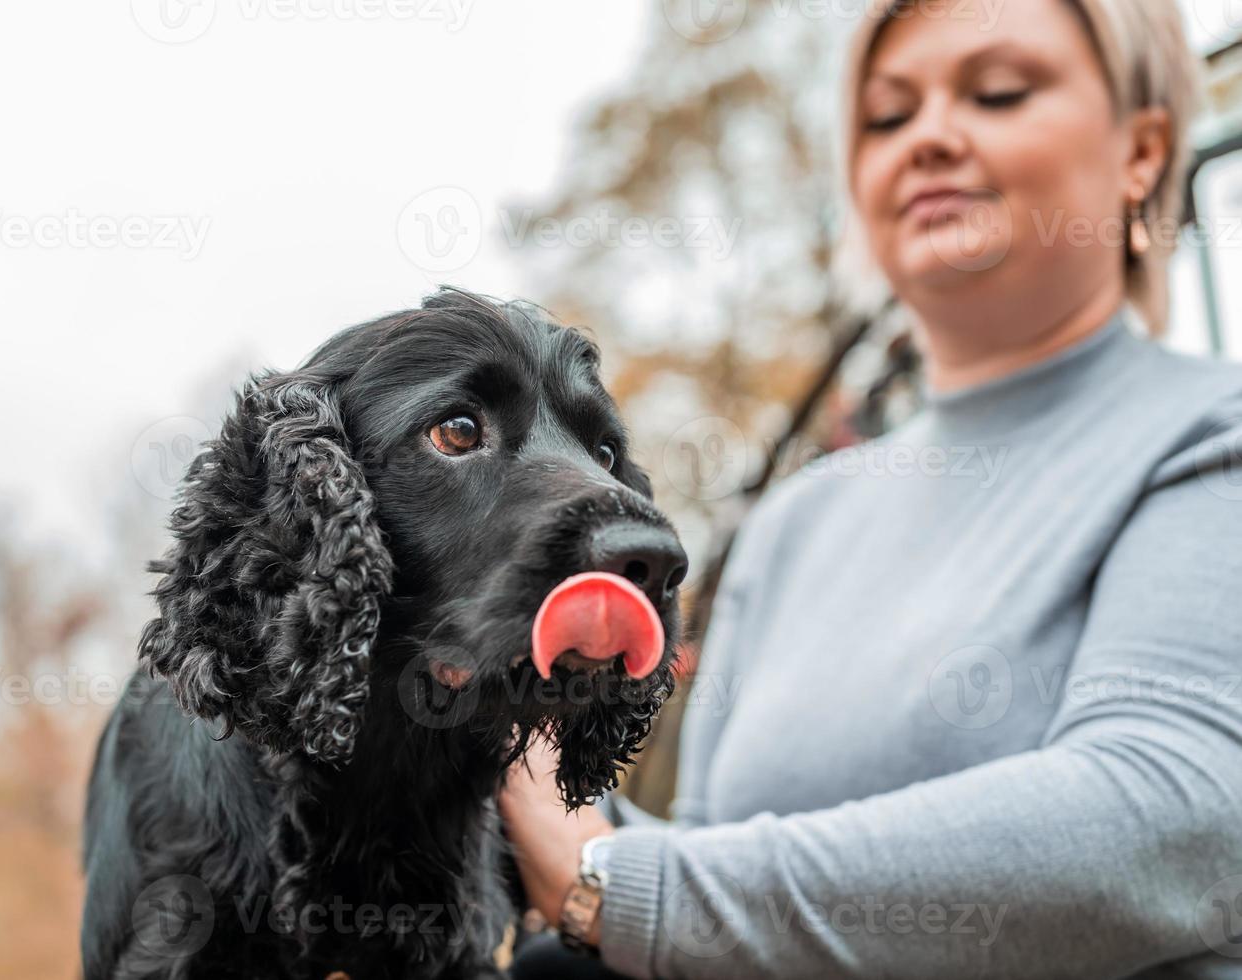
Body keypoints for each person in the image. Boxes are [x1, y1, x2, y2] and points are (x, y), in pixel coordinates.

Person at [499, 1, 1242, 977]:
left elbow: (1164, 825)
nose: (929, 136)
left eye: (997, 92)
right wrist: (524, 780)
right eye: (888, 116)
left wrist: (609, 879)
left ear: (1142, 150)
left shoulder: (1208, 436)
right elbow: (714, 889)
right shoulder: (795, 520)